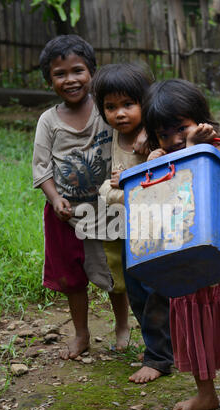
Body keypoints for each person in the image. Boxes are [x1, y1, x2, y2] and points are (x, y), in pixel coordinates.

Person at [142, 78, 220, 410]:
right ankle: (206, 393)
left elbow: (209, 175)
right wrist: (152, 162)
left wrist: (195, 147)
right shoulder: (161, 157)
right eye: (163, 135)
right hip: (181, 258)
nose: (173, 140)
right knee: (191, 321)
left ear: (201, 120)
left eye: (180, 128)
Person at [32, 35, 130, 360]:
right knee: (72, 279)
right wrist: (55, 197)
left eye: (78, 70)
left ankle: (122, 326)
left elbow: (129, 139)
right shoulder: (48, 121)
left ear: (92, 72)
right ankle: (82, 334)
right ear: (49, 79)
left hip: (108, 210)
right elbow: (42, 168)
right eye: (60, 74)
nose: (70, 79)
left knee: (116, 273)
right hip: (65, 216)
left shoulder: (107, 111)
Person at [91, 63, 173, 383]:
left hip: (155, 230)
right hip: (128, 231)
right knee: (137, 292)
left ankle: (159, 357)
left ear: (146, 104)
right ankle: (160, 346)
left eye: (129, 104)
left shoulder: (155, 140)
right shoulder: (113, 136)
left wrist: (150, 135)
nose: (120, 114)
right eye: (110, 107)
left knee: (156, 291)